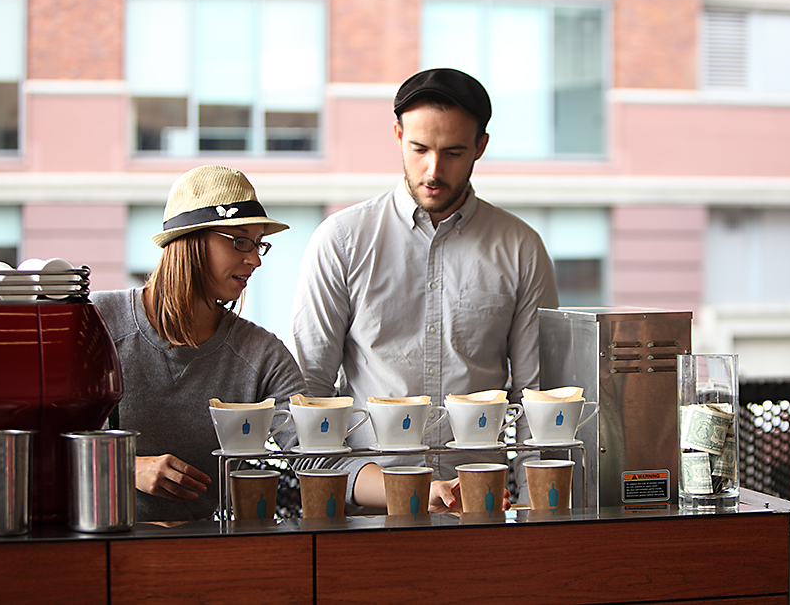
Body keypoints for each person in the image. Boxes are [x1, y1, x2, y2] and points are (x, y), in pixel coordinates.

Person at [291, 68, 559, 512]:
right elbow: (309, 393)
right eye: (419, 149)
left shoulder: (520, 247)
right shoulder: (341, 240)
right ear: (397, 134)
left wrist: (534, 515)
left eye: (453, 152)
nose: (433, 171)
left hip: (480, 507)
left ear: (480, 147)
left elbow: (535, 401)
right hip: (367, 508)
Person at [93, 165, 308, 522]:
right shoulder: (96, 322)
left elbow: (315, 455)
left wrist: (420, 488)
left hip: (204, 556)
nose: (254, 260)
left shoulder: (261, 354)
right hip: (95, 551)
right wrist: (127, 467)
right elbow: (37, 445)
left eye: (258, 245)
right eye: (240, 241)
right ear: (190, 241)